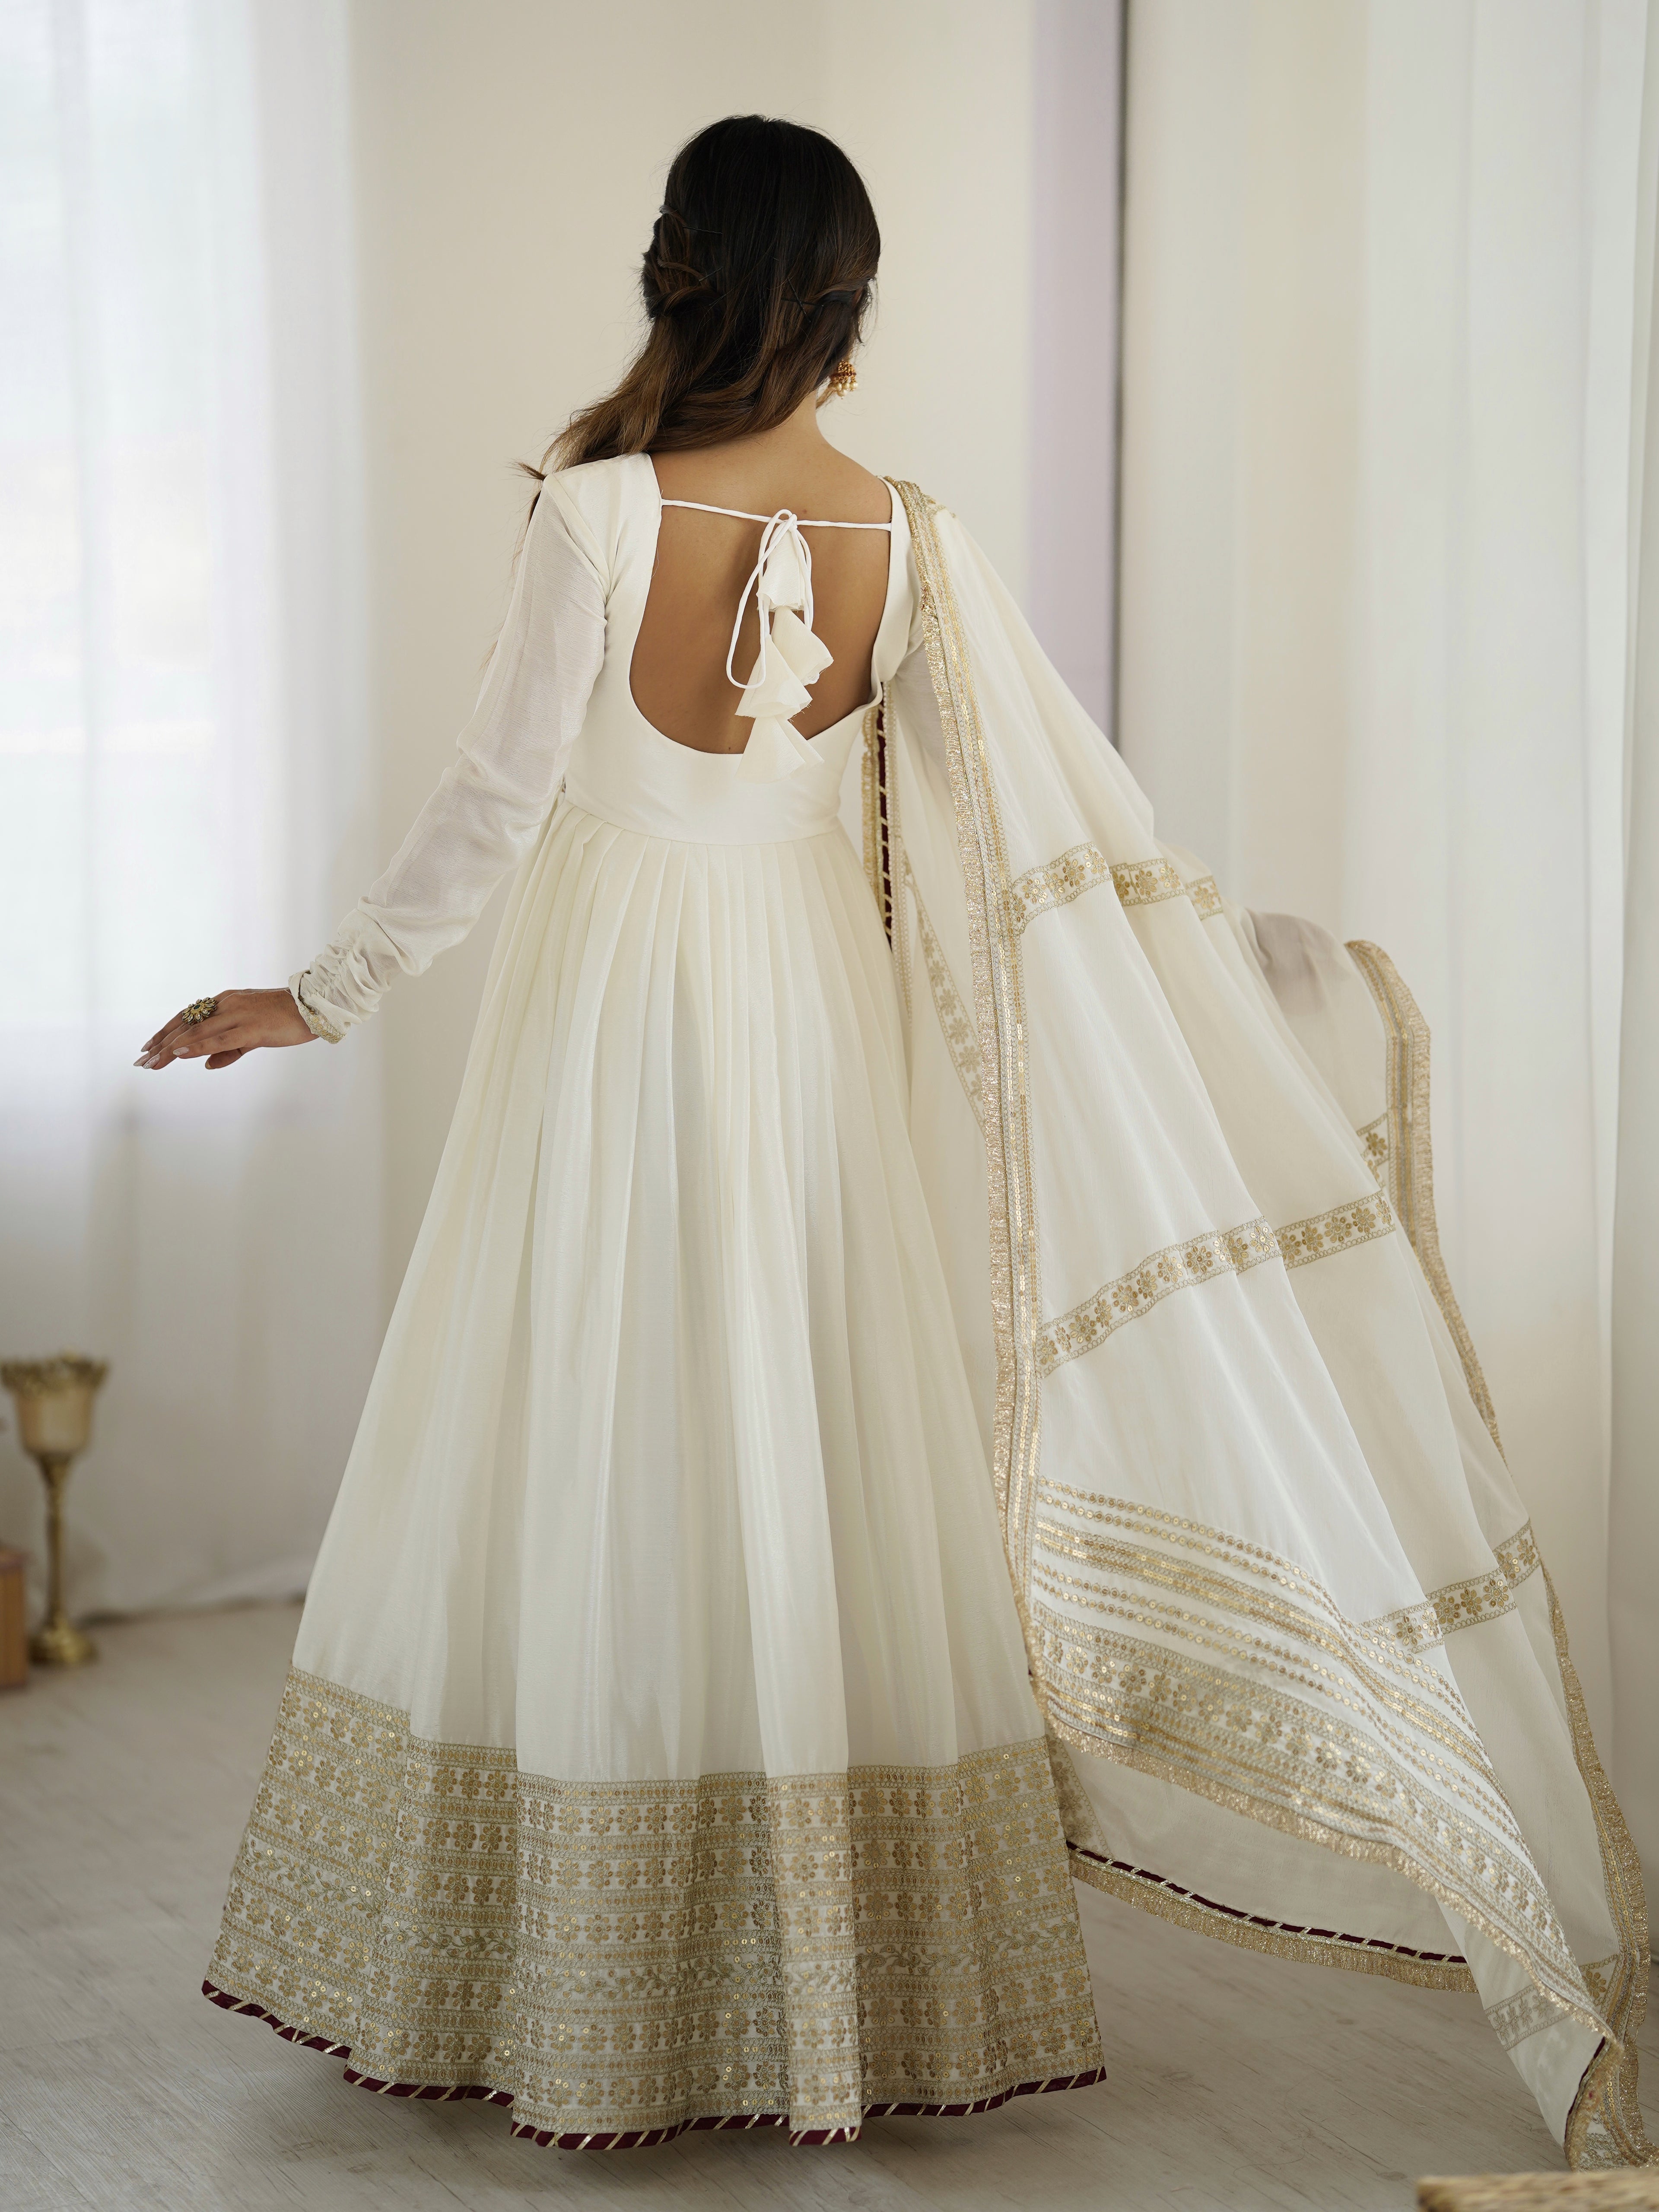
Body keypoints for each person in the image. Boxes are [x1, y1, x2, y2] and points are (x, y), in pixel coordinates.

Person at [141, 116, 1650, 2169]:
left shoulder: (598, 509)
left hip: (610, 999)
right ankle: (820, 1962)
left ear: (674, 267)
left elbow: (493, 809)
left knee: (601, 1411)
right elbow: (1042, 825)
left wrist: (316, 994)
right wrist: (1219, 975)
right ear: (847, 301)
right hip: (801, 1005)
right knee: (796, 1406)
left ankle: (580, 1959)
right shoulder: (905, 534)